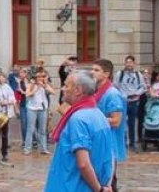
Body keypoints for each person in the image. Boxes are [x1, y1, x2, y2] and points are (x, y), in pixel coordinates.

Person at [44, 71, 115, 192]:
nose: (63, 89)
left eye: (66, 85)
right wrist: (106, 185)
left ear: (77, 90)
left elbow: (83, 163)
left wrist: (99, 189)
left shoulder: (78, 119)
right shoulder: (99, 115)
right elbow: (110, 156)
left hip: (72, 186)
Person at [91, 60, 126, 189]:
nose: (92, 72)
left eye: (96, 70)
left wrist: (93, 119)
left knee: (108, 181)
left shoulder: (112, 94)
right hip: (98, 142)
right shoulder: (95, 91)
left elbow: (116, 121)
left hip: (110, 143)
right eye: (92, 69)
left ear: (106, 74)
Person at [115, 56, 145, 152]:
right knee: (122, 123)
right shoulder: (120, 74)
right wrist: (122, 95)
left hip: (134, 101)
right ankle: (122, 143)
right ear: (125, 63)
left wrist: (136, 93)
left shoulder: (138, 75)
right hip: (123, 101)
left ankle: (132, 143)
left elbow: (143, 87)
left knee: (132, 123)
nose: (129, 64)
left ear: (134, 63)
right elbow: (115, 86)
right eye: (127, 62)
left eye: (131, 62)